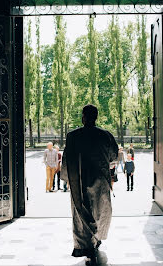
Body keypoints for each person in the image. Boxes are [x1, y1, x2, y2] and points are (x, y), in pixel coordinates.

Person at [61, 104, 118, 265]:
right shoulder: (105, 135)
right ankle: (97, 239)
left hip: (79, 181)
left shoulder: (73, 136)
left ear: (83, 117)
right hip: (100, 180)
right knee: (100, 212)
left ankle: (87, 246)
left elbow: (66, 159)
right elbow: (114, 156)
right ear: (96, 117)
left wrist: (67, 179)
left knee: (82, 214)